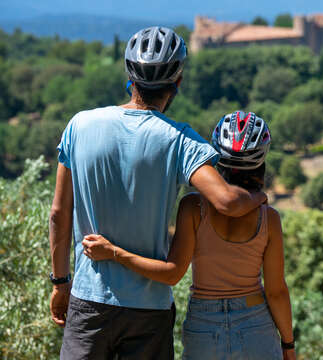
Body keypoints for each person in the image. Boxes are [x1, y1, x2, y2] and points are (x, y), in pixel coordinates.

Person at [48, 27, 267, 360]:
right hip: (149, 310)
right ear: (177, 83)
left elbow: (58, 214)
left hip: (88, 301)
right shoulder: (180, 139)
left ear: (130, 78)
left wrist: (60, 282)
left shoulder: (80, 125)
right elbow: (226, 201)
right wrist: (257, 197)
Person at [82, 111, 296, 360]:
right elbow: (276, 292)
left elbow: (172, 273)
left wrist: (113, 253)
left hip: (204, 325)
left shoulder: (194, 207)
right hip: (255, 322)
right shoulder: (269, 218)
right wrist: (288, 344)